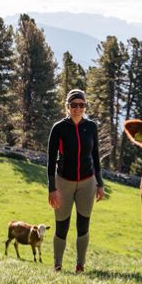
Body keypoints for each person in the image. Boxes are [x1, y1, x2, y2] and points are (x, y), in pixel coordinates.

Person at [47, 89, 104, 273]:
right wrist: (52, 188)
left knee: (83, 225)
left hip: (88, 182)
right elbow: (50, 160)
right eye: (74, 105)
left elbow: (95, 156)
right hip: (63, 182)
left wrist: (100, 183)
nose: (77, 108)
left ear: (85, 107)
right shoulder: (59, 128)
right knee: (61, 225)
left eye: (81, 105)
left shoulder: (91, 127)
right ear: (67, 107)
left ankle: (80, 265)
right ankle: (57, 265)